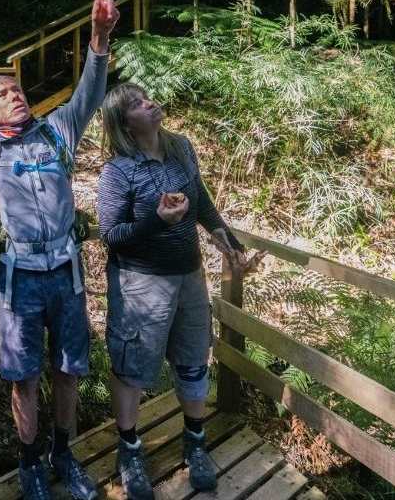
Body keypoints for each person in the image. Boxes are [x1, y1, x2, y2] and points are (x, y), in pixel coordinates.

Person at [0, 0, 119, 500]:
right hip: (18, 281)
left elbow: (90, 92)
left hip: (67, 275)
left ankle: (64, 454)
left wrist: (98, 38)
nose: (17, 96)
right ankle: (30, 464)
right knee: (23, 376)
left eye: (19, 90)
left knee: (69, 370)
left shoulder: (56, 131)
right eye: (5, 94)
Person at [96, 83, 255, 499]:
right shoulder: (119, 170)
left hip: (189, 276)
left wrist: (229, 242)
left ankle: (195, 441)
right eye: (135, 104)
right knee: (132, 367)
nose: (148, 103)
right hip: (140, 283)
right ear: (124, 125)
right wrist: (157, 221)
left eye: (145, 97)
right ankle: (129, 451)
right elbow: (110, 234)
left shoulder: (181, 146)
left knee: (192, 358)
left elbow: (199, 198)